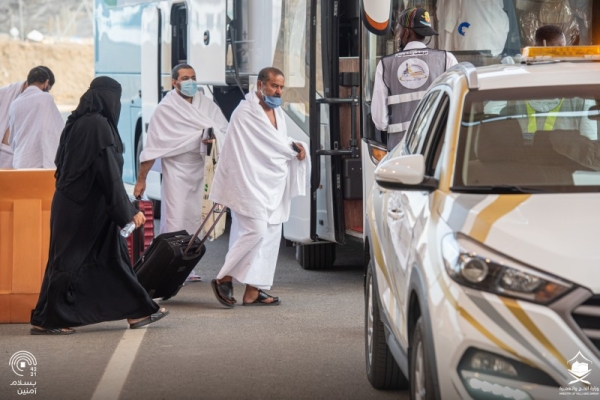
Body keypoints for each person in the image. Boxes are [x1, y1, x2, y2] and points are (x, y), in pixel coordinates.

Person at [30, 77, 169, 335]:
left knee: (111, 260)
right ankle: (48, 318)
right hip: (83, 209)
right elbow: (109, 175)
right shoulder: (98, 127)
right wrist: (129, 212)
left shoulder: (77, 122)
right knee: (69, 261)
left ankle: (137, 311)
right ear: (109, 99)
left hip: (77, 204)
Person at [209, 67, 310, 307]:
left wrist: (294, 145)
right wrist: (288, 149)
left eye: (281, 87)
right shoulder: (245, 113)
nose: (278, 91)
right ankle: (224, 277)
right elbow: (257, 148)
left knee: (272, 233)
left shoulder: (278, 113)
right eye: (274, 86)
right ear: (260, 85)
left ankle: (254, 290)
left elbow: (277, 142)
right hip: (247, 182)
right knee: (255, 231)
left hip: (271, 184)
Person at [133, 63, 228, 283]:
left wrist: (212, 137)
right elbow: (153, 147)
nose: (190, 82)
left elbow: (224, 129)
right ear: (174, 82)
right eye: (185, 78)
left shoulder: (206, 103)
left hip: (201, 168)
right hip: (176, 170)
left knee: (196, 219)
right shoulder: (165, 109)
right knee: (175, 218)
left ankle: (186, 267)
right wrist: (141, 180)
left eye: (193, 77)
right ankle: (170, 267)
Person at [371, 7, 458, 150]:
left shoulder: (385, 65)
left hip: (399, 152)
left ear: (407, 32)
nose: (397, 34)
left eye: (398, 30)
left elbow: (380, 121)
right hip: (436, 149)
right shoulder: (446, 59)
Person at [0, 65, 55, 168]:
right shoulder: (6, 93)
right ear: (46, 83)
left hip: (22, 157)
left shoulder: (39, 100)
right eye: (48, 88)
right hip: (5, 154)